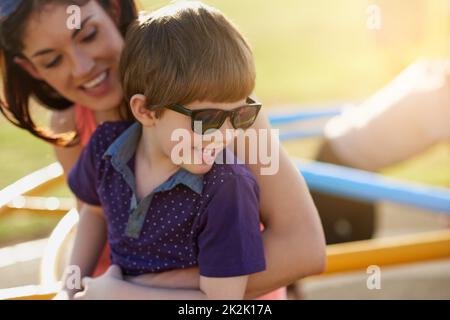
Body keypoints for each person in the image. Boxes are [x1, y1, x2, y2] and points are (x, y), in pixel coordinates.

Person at [0, 0, 325, 299]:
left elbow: (303, 247)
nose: (82, 66)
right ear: (31, 69)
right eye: (53, 60)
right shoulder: (71, 125)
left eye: (89, 35)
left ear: (113, 9)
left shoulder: (221, 116)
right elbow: (95, 215)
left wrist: (143, 288)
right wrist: (72, 289)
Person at [68, 2, 269, 299]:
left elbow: (221, 302)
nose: (225, 135)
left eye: (239, 116)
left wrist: (121, 295)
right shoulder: (105, 148)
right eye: (207, 119)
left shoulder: (228, 188)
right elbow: (94, 213)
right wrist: (68, 288)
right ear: (146, 111)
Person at [312, 59, 450, 244]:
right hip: (342, 161)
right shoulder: (440, 101)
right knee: (331, 241)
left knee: (359, 239)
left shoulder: (430, 71)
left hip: (348, 154)